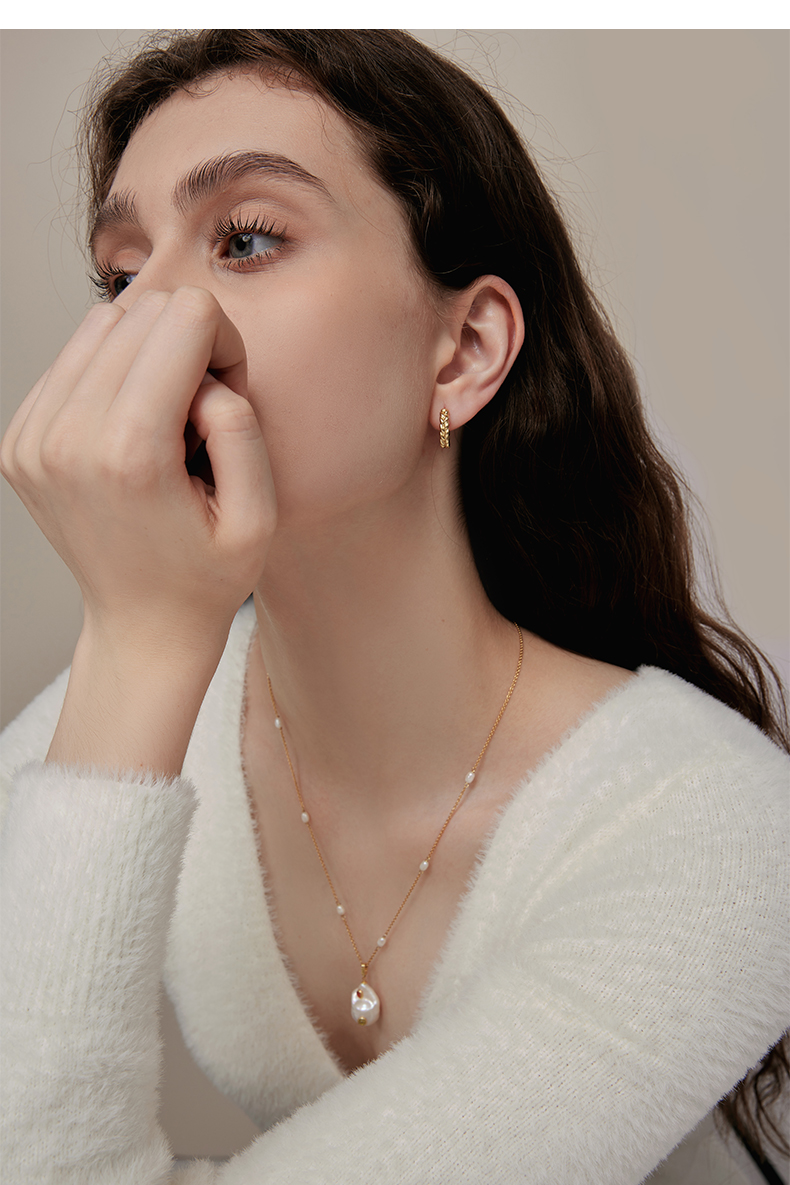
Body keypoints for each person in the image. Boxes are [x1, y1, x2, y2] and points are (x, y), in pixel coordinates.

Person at [0, 29, 787, 1185]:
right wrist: (136, 640)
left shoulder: (718, 830)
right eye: (120, 276)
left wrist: (142, 634)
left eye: (246, 239)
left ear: (462, 352)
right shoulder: (115, 722)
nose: (149, 319)